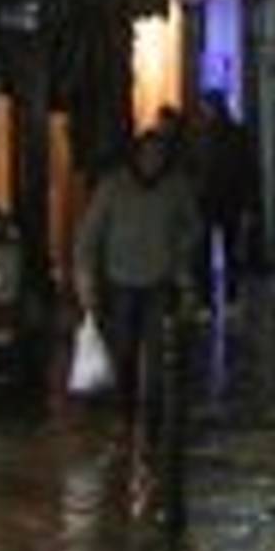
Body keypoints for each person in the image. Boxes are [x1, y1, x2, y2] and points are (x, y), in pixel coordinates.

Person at [73, 118, 202, 421]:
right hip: (122, 278)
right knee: (124, 347)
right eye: (147, 155)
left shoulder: (175, 188)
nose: (152, 162)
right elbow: (90, 234)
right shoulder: (114, 187)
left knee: (156, 349)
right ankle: (126, 405)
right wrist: (86, 275)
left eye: (158, 156)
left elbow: (193, 227)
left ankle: (152, 408)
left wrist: (179, 257)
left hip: (159, 277)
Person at [192, 91, 261, 305]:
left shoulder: (202, 135)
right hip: (229, 201)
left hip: (210, 200)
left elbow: (197, 167)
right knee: (227, 250)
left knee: (205, 250)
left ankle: (207, 297)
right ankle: (228, 295)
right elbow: (250, 170)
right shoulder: (236, 134)